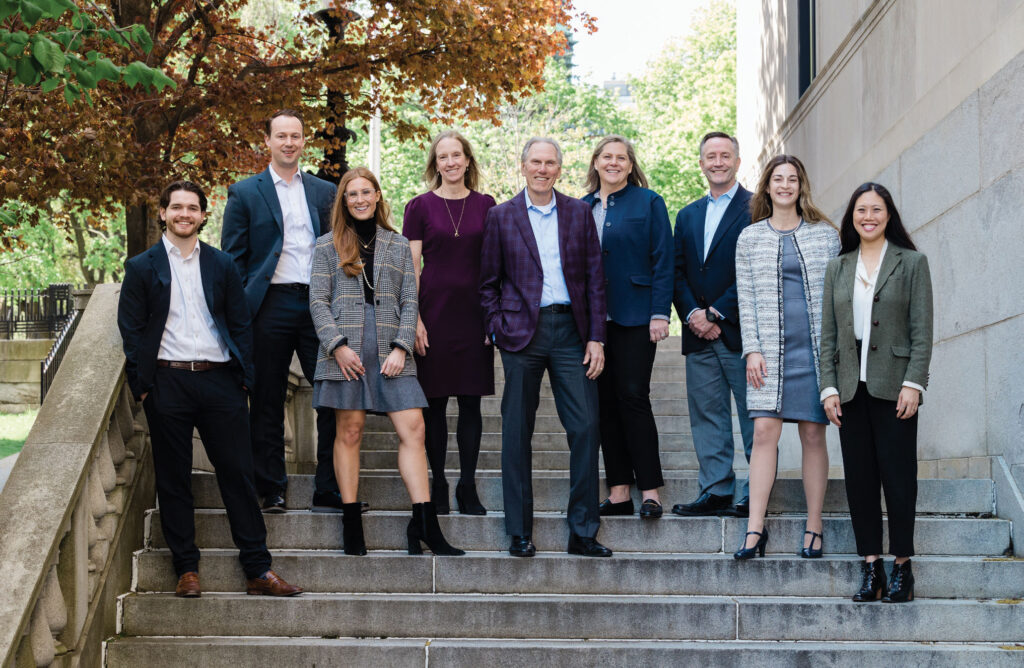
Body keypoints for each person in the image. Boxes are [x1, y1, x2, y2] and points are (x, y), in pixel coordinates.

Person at [117, 181, 302, 598]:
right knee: (174, 479)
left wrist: (244, 381)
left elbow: (241, 324)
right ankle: (186, 569)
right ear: (163, 212)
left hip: (221, 381)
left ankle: (258, 569)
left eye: (193, 208)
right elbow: (131, 332)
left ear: (203, 215)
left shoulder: (222, 265)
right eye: (177, 207)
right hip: (168, 382)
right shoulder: (141, 268)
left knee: (238, 474)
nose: (185, 214)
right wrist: (144, 388)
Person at [309, 167, 464, 557]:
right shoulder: (327, 246)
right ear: (344, 202)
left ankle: (425, 524)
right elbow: (317, 302)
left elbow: (410, 299)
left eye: (366, 192)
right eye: (352, 194)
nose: (360, 199)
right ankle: (351, 524)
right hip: (346, 347)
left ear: (378, 196)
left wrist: (400, 346)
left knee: (414, 428)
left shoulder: (396, 244)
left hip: (390, 343)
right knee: (350, 431)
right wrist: (337, 346)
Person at [480, 137, 611, 558]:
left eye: (550, 163)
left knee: (587, 427)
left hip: (571, 332)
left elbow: (594, 279)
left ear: (559, 168)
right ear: (523, 167)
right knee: (517, 431)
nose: (542, 169)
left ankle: (583, 531)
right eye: (535, 162)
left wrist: (596, 336)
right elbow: (488, 285)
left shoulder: (578, 213)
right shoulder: (501, 217)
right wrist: (497, 328)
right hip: (522, 335)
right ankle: (519, 531)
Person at [221, 109, 340, 514]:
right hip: (268, 305)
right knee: (267, 399)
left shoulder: (325, 193)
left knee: (331, 394)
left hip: (317, 305)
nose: (289, 142)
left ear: (304, 141)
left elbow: (338, 248)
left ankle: (330, 485)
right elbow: (233, 261)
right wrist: (238, 316)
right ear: (268, 142)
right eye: (281, 136)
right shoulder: (244, 193)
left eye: (296, 136)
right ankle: (271, 487)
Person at [820, 183, 932, 602]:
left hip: (895, 388)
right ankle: (871, 567)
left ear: (889, 215)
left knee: (899, 480)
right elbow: (827, 334)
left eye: (877, 209)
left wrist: (913, 383)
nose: (868, 216)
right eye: (861, 210)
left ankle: (902, 567)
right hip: (849, 389)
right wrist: (828, 387)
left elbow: (922, 331)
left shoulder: (912, 262)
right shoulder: (839, 267)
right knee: (860, 482)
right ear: (852, 216)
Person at [734, 155, 840, 560]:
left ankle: (814, 525)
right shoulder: (750, 238)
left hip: (813, 353)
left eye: (791, 179)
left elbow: (836, 299)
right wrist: (752, 349)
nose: (784, 185)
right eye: (777, 179)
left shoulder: (824, 236)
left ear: (801, 185)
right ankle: (754, 529)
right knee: (764, 433)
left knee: (814, 434)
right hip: (768, 356)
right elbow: (746, 298)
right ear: (767, 186)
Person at [404, 131, 497, 515]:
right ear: (435, 164)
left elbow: (496, 264)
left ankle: (467, 485)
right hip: (434, 315)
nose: (451, 162)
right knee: (435, 406)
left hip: (474, 316)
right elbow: (411, 269)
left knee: (471, 405)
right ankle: (438, 482)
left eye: (456, 155)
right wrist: (415, 321)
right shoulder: (419, 207)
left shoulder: (488, 205)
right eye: (443, 157)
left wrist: (495, 318)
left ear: (467, 160)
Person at [581, 135, 672, 519]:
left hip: (636, 316)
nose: (614, 163)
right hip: (592, 322)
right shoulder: (580, 207)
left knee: (633, 397)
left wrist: (660, 313)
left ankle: (650, 491)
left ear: (631, 165)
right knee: (602, 405)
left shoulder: (649, 202)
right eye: (607, 157)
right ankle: (618, 492)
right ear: (596, 163)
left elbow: (663, 258)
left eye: (621, 158)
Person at [671, 132, 755, 519]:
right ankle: (717, 489)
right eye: (710, 156)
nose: (717, 162)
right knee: (707, 413)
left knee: (753, 413)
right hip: (697, 335)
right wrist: (693, 315)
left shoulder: (758, 207)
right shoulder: (687, 215)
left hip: (742, 332)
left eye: (725, 155)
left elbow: (756, 269)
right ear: (701, 163)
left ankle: (757, 490)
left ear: (737, 161)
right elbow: (677, 272)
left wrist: (717, 313)